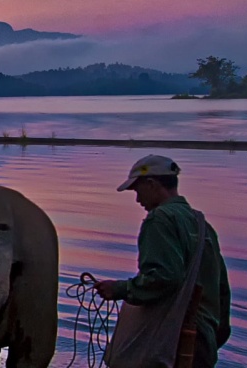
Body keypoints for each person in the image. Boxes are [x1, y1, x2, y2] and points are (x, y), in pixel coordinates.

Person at [93, 154, 232, 367]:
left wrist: (119, 289)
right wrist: (213, 340)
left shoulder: (160, 219)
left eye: (137, 191)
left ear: (151, 184)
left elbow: (164, 278)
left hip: (172, 343)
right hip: (203, 342)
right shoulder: (203, 225)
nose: (138, 200)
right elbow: (222, 290)